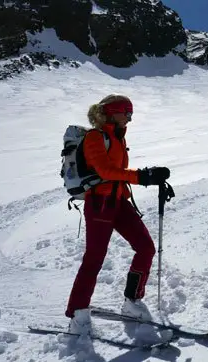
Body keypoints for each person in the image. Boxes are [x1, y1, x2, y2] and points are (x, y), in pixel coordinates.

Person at [65, 94, 171, 334]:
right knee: (94, 259)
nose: (130, 118)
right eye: (127, 112)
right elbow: (105, 170)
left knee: (146, 248)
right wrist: (142, 176)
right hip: (100, 202)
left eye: (131, 113)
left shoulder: (119, 138)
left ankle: (132, 302)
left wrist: (151, 177)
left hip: (119, 201)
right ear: (112, 112)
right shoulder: (95, 136)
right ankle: (77, 315)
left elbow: (119, 172)